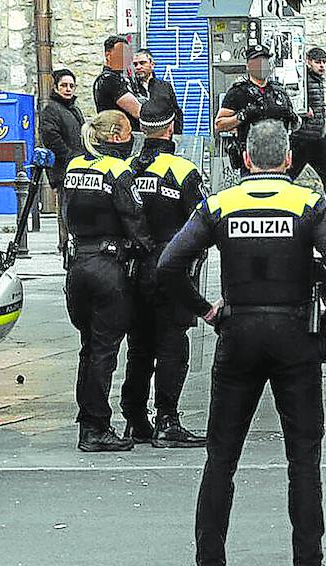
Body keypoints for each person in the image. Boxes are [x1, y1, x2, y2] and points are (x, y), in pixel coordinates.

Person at [157, 120, 326, 566]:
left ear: (245, 159)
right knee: (303, 456)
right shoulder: (308, 204)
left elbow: (169, 265)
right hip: (294, 333)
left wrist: (207, 311)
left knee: (221, 457)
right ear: (288, 160)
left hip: (239, 331)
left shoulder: (221, 204)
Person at [58, 109, 151, 452]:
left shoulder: (74, 166)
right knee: (104, 351)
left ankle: (87, 420)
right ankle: (96, 427)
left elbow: (67, 213)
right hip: (108, 266)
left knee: (88, 347)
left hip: (78, 263)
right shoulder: (118, 170)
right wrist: (147, 251)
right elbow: (135, 220)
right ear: (115, 137)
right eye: (128, 132)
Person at [120, 100, 206, 448]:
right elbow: (202, 222)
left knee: (139, 345)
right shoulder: (183, 171)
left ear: (142, 129)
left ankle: (135, 419)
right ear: (170, 129)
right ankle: (167, 420)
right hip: (170, 268)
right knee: (172, 344)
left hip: (130, 268)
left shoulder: (126, 168)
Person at [214, 44, 298, 175]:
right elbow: (219, 124)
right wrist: (242, 115)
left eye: (264, 62)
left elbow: (296, 124)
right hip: (251, 162)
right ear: (248, 66)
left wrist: (292, 117)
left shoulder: (279, 91)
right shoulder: (238, 92)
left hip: (277, 160)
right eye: (256, 62)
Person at [40, 68, 87, 255]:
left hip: (78, 166)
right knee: (66, 209)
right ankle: (65, 244)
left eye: (71, 86)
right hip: (64, 169)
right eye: (64, 85)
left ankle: (75, 242)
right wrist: (69, 157)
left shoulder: (73, 108)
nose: (68, 89)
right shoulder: (51, 109)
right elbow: (51, 137)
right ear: (56, 87)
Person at [289, 47, 326, 200]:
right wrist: (301, 109)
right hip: (302, 138)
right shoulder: (302, 79)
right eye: (318, 62)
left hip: (317, 137)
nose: (322, 66)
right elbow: (290, 97)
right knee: (288, 176)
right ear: (308, 62)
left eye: (324, 63)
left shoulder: (316, 80)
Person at [93, 35, 143, 137]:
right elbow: (138, 111)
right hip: (118, 136)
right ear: (108, 55)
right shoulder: (109, 79)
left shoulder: (119, 78)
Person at [131, 49, 181, 133]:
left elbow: (176, 113)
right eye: (135, 64)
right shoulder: (130, 87)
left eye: (142, 63)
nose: (138, 67)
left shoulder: (164, 87)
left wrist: (176, 136)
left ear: (152, 65)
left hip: (162, 137)